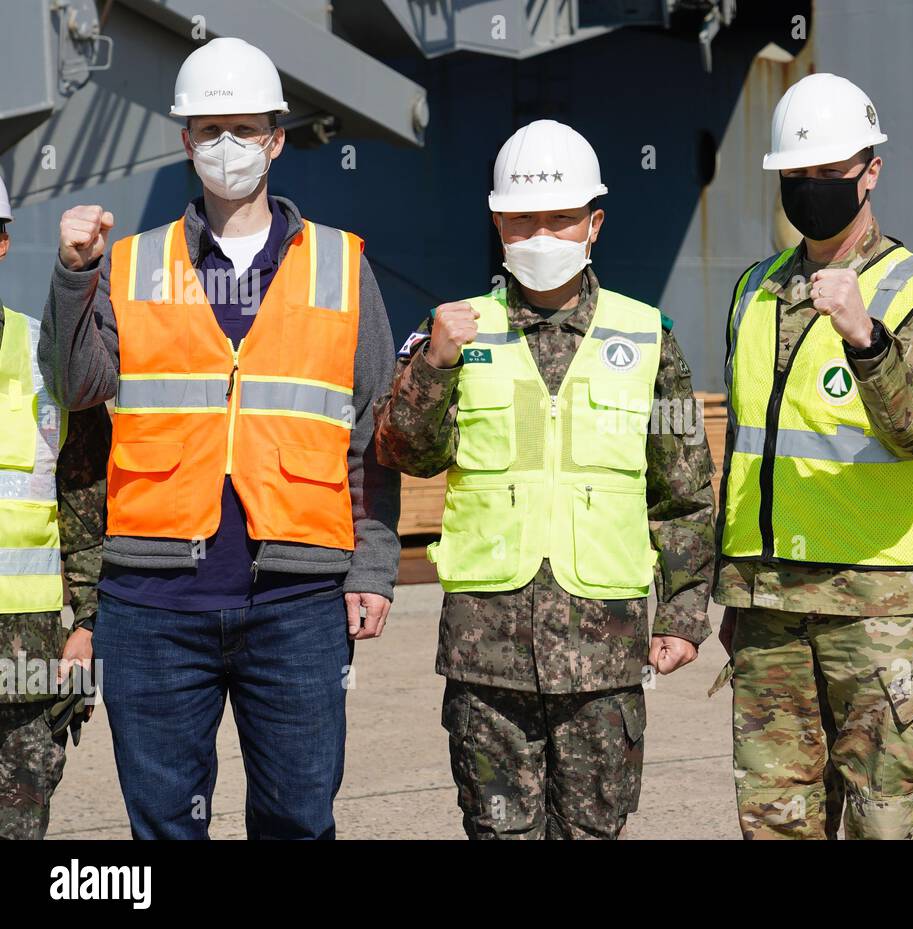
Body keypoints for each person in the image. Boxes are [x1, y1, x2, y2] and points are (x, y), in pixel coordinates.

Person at [41, 37, 400, 839]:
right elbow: (76, 389)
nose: (227, 146)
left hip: (298, 601)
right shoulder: (128, 265)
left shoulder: (340, 265)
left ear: (277, 138)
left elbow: (373, 431)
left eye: (245, 129)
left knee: (300, 820)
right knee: (165, 826)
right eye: (210, 130)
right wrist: (72, 276)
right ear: (186, 141)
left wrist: (373, 566)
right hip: (154, 601)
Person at [374, 119, 714, 839]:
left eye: (561, 219)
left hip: (606, 657)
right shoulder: (457, 334)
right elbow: (405, 451)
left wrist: (685, 612)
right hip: (486, 657)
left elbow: (682, 491)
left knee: (593, 832)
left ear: (594, 224)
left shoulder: (650, 336)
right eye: (523, 219)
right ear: (498, 223)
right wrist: (432, 366)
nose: (541, 234)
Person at [714, 73, 913, 839]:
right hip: (771, 606)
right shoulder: (754, 291)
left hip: (882, 609)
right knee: (774, 818)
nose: (812, 190)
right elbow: (745, 449)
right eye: (797, 177)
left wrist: (867, 340)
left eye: (831, 175)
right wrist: (735, 588)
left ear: (871, 170)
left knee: (885, 817)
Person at [0, 172, 108, 839]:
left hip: (30, 659)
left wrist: (91, 623)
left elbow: (86, 498)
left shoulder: (47, 362)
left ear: (3, 244)